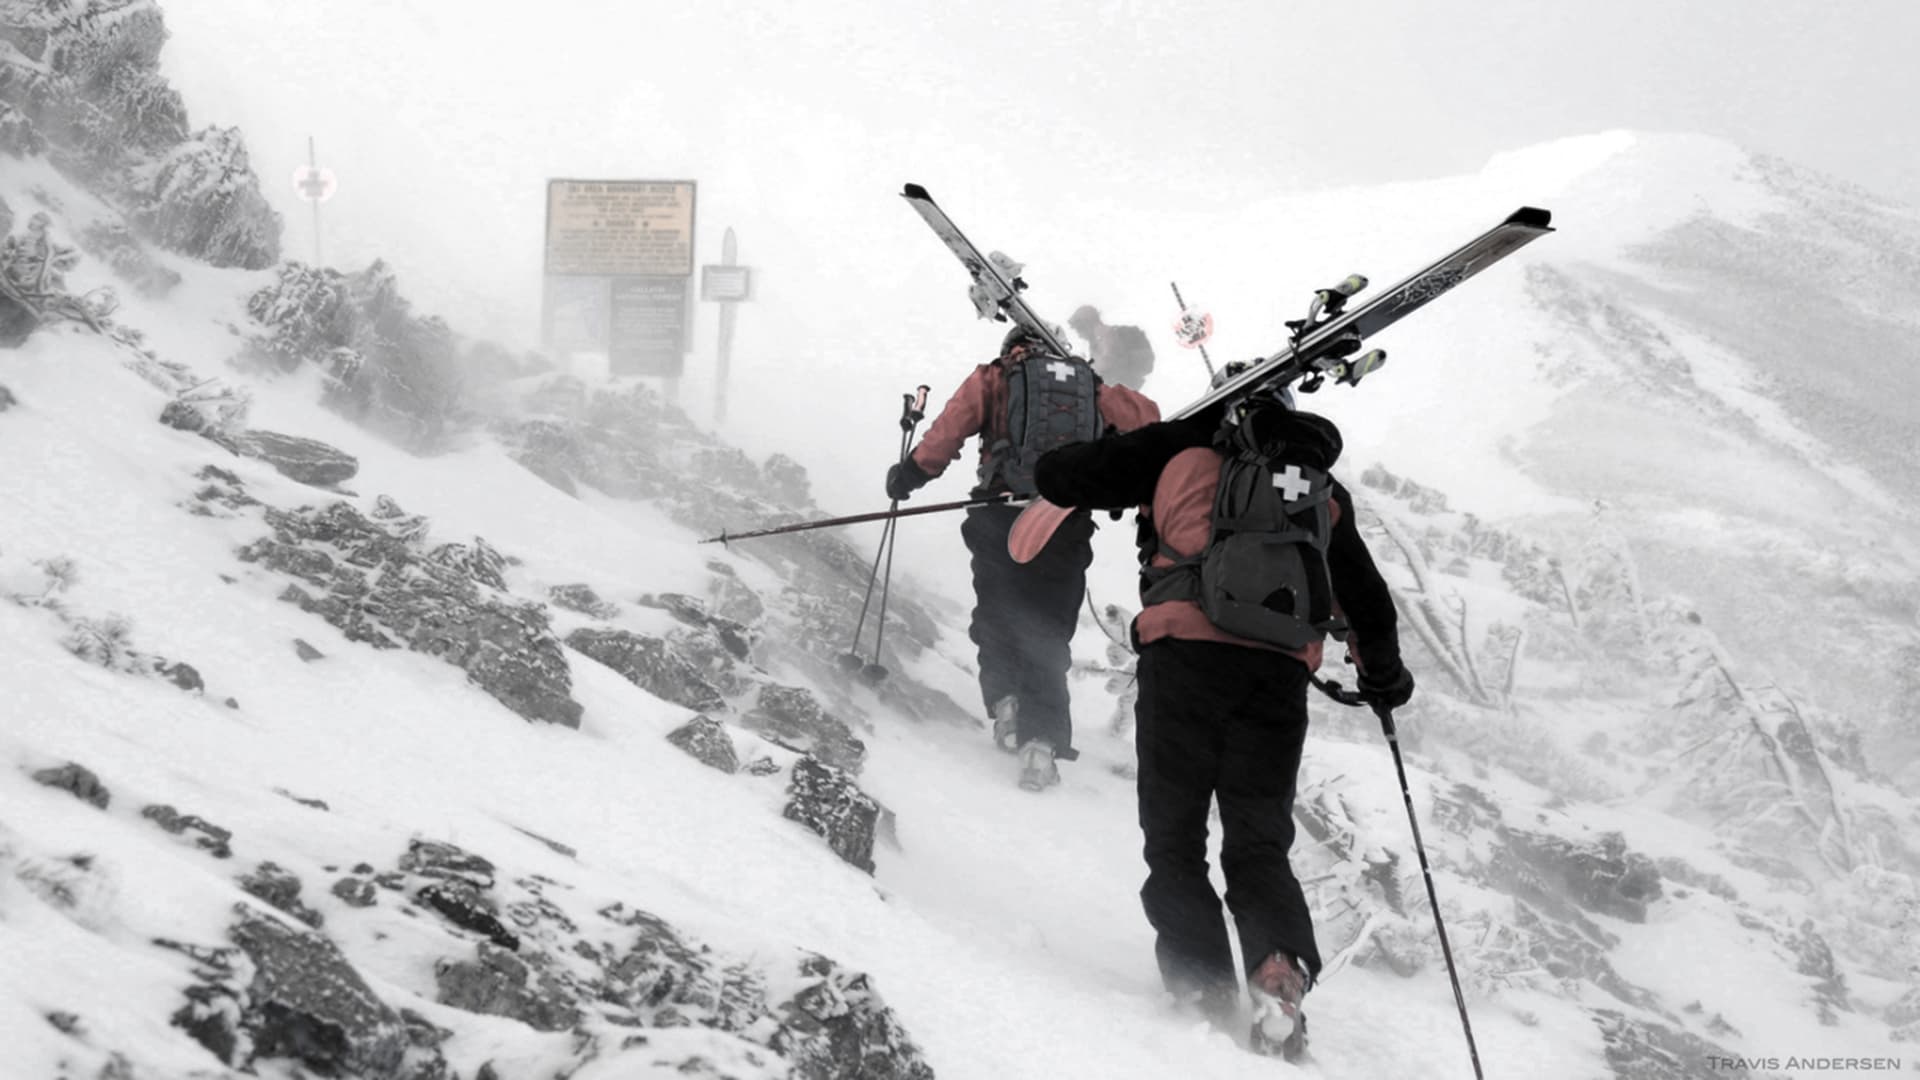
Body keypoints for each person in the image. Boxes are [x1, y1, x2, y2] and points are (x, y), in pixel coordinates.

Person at [1032, 386, 1414, 1058]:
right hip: (1276, 676)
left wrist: (1153, 449)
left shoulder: (1176, 449)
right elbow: (1368, 602)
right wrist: (1384, 678)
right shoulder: (1316, 487)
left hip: (1183, 657)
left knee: (1175, 839)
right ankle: (1277, 971)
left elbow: (1058, 475)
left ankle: (1201, 993)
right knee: (1258, 844)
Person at [884, 324, 1159, 790]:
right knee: (1049, 630)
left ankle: (1006, 703)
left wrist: (907, 477)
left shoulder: (994, 377)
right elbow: (1149, 422)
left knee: (996, 613)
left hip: (998, 515)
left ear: (1010, 347)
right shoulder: (1091, 385)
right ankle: (1041, 745)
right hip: (1062, 521)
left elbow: (943, 438)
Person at [1069, 304, 1156, 391]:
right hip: (1120, 390)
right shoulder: (1095, 342)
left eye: (1079, 329)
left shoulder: (1104, 334)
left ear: (1087, 324)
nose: (1079, 335)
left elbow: (1107, 362)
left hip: (1120, 390)